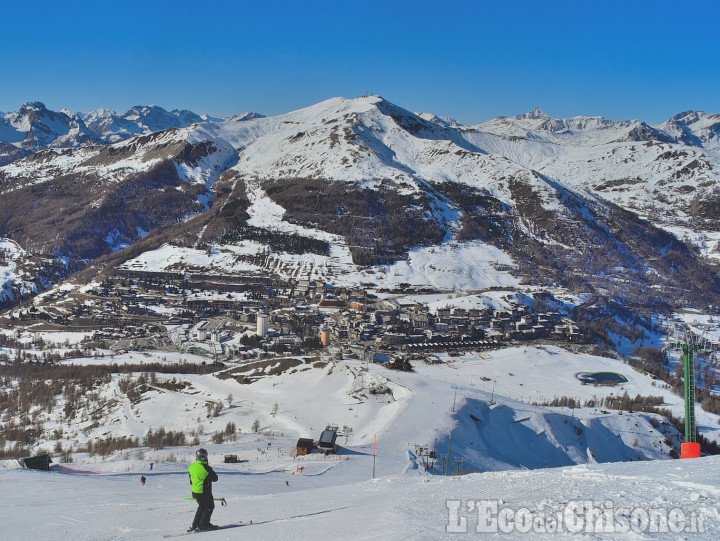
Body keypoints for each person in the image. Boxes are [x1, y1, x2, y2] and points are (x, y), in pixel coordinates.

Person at [187, 448, 219, 532]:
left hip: (195, 492)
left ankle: (196, 525)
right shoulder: (206, 468)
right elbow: (215, 478)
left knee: (202, 506)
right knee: (209, 506)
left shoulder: (191, 467)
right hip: (204, 491)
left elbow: (191, 480)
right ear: (205, 457)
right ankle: (203, 525)